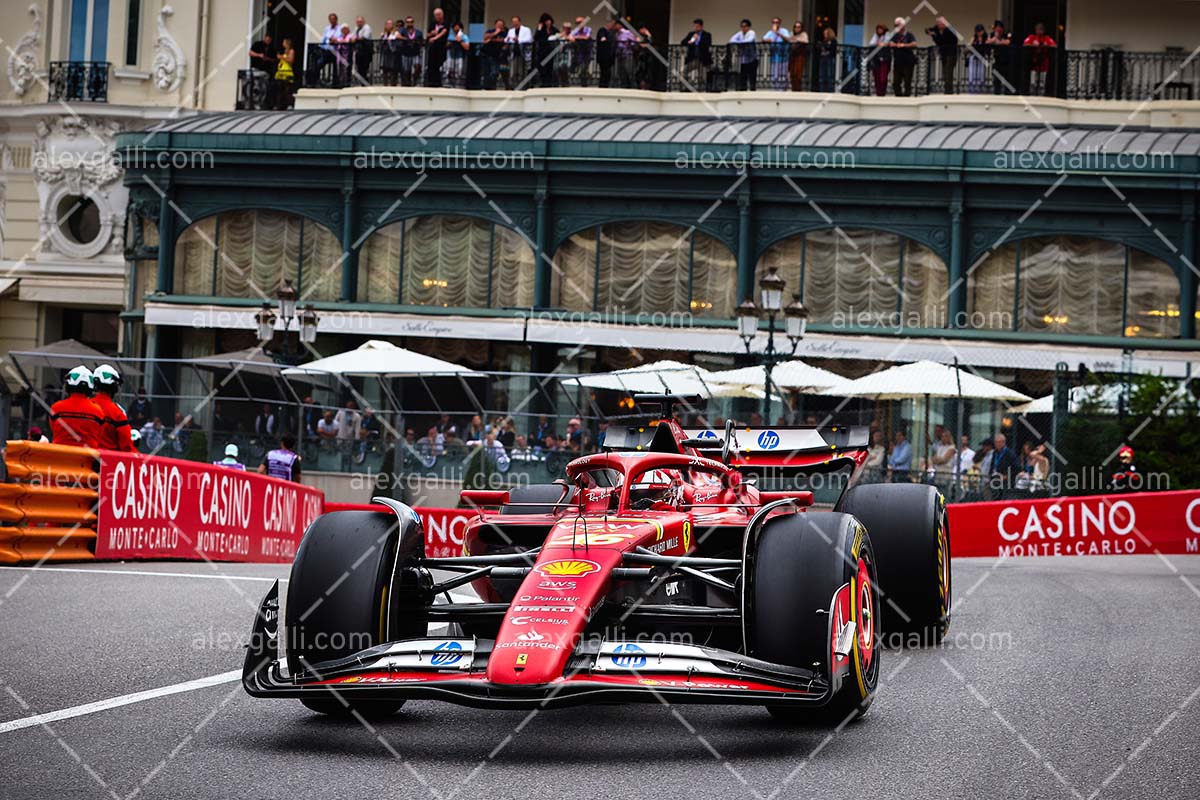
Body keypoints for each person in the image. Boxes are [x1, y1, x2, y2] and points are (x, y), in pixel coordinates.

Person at [49, 366, 102, 449]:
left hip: (59, 456)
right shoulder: (97, 411)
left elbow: (53, 429)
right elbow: (99, 434)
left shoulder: (56, 408)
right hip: (87, 458)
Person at [91, 364, 137, 453]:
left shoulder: (86, 406)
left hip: (81, 459)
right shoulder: (117, 413)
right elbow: (126, 446)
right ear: (115, 387)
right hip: (109, 462)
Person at [1023, 22, 1056, 96]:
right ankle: (1032, 94)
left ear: (1043, 31)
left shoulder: (1046, 38)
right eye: (1038, 29)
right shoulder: (1032, 37)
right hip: (1034, 63)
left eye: (1041, 29)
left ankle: (1041, 95)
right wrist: (1033, 45)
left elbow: (1054, 45)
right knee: (1033, 81)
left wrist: (1046, 45)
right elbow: (1025, 43)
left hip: (1044, 63)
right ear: (1035, 30)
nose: (1039, 31)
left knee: (1042, 81)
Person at [927, 15, 959, 93]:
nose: (938, 25)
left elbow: (942, 41)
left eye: (939, 23)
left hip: (951, 54)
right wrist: (931, 33)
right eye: (937, 23)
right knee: (944, 73)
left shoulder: (949, 30)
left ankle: (949, 91)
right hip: (944, 54)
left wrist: (934, 35)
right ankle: (946, 89)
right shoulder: (937, 29)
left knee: (948, 73)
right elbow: (929, 30)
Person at [889, 17, 918, 96]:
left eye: (897, 25)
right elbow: (891, 44)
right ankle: (899, 97)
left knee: (907, 81)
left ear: (903, 26)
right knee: (896, 82)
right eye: (895, 25)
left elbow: (914, 44)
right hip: (898, 62)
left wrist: (904, 45)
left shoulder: (909, 35)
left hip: (908, 62)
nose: (896, 27)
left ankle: (907, 97)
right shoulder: (895, 35)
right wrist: (897, 45)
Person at [681, 18, 712, 90]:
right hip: (692, 58)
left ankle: (702, 90)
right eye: (695, 26)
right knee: (683, 71)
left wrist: (698, 39)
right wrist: (689, 41)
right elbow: (683, 42)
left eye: (697, 26)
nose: (696, 28)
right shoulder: (691, 34)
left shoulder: (707, 35)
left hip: (703, 59)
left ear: (701, 26)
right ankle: (686, 87)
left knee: (703, 76)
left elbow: (708, 44)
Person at [729, 19, 758, 91]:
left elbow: (749, 40)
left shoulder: (752, 32)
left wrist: (739, 42)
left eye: (745, 26)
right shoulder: (740, 33)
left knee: (752, 76)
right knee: (743, 76)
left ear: (748, 27)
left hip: (752, 58)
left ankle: (752, 90)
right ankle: (743, 89)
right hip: (744, 59)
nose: (743, 28)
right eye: (742, 26)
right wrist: (740, 42)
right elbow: (731, 40)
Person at [505, 15, 533, 88]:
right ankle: (514, 85)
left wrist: (518, 40)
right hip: (514, 52)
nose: (515, 23)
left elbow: (529, 39)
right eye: (513, 22)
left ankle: (523, 85)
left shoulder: (526, 29)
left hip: (523, 52)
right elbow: (506, 39)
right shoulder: (511, 31)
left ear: (519, 22)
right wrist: (508, 39)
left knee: (522, 70)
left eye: (516, 21)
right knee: (513, 71)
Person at [761, 18, 789, 91]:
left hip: (783, 56)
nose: (775, 23)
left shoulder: (784, 31)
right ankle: (776, 89)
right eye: (773, 22)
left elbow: (788, 39)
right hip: (774, 56)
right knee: (775, 74)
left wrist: (778, 33)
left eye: (777, 22)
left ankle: (782, 90)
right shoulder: (770, 32)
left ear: (780, 23)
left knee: (782, 75)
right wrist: (768, 40)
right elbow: (763, 39)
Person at [987, 20, 1013, 94]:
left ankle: (1007, 92)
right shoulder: (992, 34)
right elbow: (988, 42)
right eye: (997, 28)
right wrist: (995, 37)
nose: (999, 29)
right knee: (996, 78)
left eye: (1000, 28)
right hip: (997, 59)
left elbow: (1008, 42)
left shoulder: (1007, 34)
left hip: (1006, 59)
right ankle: (996, 92)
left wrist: (999, 42)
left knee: (1007, 77)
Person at [425, 7, 449, 87]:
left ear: (442, 15)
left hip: (441, 47)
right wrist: (431, 34)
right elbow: (428, 34)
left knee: (439, 65)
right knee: (431, 65)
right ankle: (431, 82)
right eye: (435, 15)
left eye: (439, 15)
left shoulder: (446, 23)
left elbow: (443, 32)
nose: (437, 17)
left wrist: (435, 37)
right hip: (432, 48)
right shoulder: (433, 24)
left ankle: (439, 82)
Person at [443, 20, 470, 88]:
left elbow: (467, 47)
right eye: (455, 29)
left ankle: (458, 84)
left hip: (459, 56)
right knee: (448, 70)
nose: (456, 30)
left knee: (459, 71)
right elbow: (446, 45)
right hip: (450, 56)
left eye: (458, 29)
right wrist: (452, 41)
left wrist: (460, 41)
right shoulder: (450, 36)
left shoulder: (464, 36)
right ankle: (448, 83)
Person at [398, 16, 424, 87]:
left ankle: (414, 81)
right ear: (406, 23)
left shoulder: (418, 32)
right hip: (405, 53)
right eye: (408, 22)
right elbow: (397, 36)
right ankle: (407, 84)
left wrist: (417, 42)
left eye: (411, 22)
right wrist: (406, 39)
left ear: (413, 22)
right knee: (406, 70)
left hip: (415, 53)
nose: (410, 24)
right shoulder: (403, 31)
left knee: (418, 67)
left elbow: (421, 42)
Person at [567, 16, 593, 85]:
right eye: (577, 23)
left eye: (580, 22)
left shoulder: (588, 29)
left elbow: (586, 37)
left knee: (583, 68)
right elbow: (570, 37)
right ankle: (584, 79)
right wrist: (573, 38)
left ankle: (584, 83)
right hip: (578, 53)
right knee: (580, 69)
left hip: (587, 52)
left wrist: (576, 37)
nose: (579, 24)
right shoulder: (576, 30)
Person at [481, 19, 507, 89]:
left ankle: (492, 86)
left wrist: (492, 40)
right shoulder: (490, 31)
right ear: (495, 25)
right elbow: (485, 37)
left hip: (496, 55)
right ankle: (487, 86)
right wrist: (495, 33)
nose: (499, 26)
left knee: (495, 72)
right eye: (498, 24)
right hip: (486, 53)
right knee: (486, 71)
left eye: (501, 25)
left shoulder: (504, 33)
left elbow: (504, 40)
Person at [867, 23, 891, 96]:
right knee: (876, 77)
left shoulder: (887, 35)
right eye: (878, 29)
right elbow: (871, 44)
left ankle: (882, 93)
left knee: (883, 77)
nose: (879, 30)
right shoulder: (875, 36)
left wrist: (881, 44)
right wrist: (878, 43)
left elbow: (887, 43)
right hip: (876, 60)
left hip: (884, 59)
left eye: (880, 29)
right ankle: (878, 93)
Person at [273, 38, 296, 109]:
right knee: (279, 89)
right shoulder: (284, 51)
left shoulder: (291, 51)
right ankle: (279, 104)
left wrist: (282, 57)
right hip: (281, 73)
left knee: (287, 89)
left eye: (284, 42)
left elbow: (291, 60)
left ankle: (290, 104)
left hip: (287, 72)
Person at [349, 15, 373, 83]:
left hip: (366, 51)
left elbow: (364, 37)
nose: (359, 23)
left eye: (360, 22)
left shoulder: (367, 27)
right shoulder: (356, 28)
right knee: (359, 68)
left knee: (364, 68)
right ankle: (362, 82)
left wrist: (355, 39)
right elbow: (352, 36)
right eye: (357, 22)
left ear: (363, 22)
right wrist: (351, 39)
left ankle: (365, 83)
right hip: (359, 51)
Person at [595, 17, 617, 88]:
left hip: (609, 57)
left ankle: (606, 85)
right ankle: (603, 85)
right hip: (604, 56)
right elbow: (602, 39)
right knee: (604, 72)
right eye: (613, 25)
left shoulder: (612, 32)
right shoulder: (602, 30)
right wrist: (605, 40)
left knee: (607, 72)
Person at [787, 21, 809, 91]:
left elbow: (806, 41)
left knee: (798, 73)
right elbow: (789, 40)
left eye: (799, 27)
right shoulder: (792, 34)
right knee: (792, 73)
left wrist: (796, 39)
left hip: (800, 56)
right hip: (792, 56)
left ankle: (798, 89)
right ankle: (793, 88)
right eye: (796, 27)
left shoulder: (804, 34)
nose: (797, 28)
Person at [815, 27, 837, 92]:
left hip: (829, 59)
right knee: (822, 75)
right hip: (823, 58)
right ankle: (822, 90)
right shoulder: (824, 41)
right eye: (824, 33)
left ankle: (830, 90)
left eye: (826, 33)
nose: (824, 35)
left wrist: (826, 47)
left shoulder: (833, 41)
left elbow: (833, 50)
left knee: (829, 75)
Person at [967, 24, 988, 93]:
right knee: (972, 72)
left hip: (982, 57)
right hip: (974, 56)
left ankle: (980, 87)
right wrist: (972, 42)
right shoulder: (974, 38)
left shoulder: (986, 38)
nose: (979, 33)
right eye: (977, 31)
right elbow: (969, 46)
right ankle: (972, 87)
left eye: (980, 31)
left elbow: (988, 45)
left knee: (981, 73)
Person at [379, 19, 401, 86]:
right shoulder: (384, 34)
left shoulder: (396, 33)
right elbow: (380, 45)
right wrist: (382, 39)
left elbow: (399, 45)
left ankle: (393, 86)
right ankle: (385, 85)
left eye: (390, 24)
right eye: (387, 24)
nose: (388, 25)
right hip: (385, 55)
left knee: (393, 73)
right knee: (385, 72)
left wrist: (391, 41)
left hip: (393, 55)